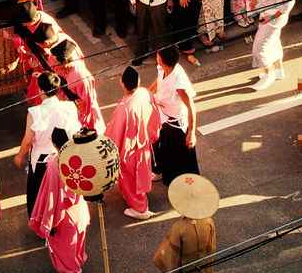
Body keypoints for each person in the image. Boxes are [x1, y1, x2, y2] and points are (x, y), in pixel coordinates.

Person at [152, 174, 217, 273]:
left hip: (185, 272)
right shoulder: (208, 220)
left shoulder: (179, 227)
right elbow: (212, 246)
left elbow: (170, 255)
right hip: (203, 266)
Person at [29, 127, 90, 273]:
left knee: (63, 246)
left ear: (54, 144)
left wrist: (46, 220)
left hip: (64, 214)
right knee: (77, 241)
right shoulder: (78, 157)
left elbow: (49, 197)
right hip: (80, 209)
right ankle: (76, 264)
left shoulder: (55, 167)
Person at [14, 71, 80, 217]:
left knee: (39, 193)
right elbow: (76, 131)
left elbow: (27, 141)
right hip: (65, 157)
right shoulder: (70, 107)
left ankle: (41, 221)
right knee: (61, 191)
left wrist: (19, 156)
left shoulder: (34, 112)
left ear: (41, 90)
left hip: (41, 159)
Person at [105, 67, 162, 219]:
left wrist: (109, 149)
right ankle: (137, 200)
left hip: (129, 148)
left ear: (122, 83)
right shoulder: (145, 92)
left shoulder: (125, 108)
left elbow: (115, 133)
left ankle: (140, 208)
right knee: (140, 172)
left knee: (130, 178)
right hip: (144, 143)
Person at [250, 0, 297, 90]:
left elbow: (287, 4)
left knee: (259, 46)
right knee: (274, 42)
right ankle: (278, 70)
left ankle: (268, 73)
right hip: (265, 10)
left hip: (274, 17)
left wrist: (271, 17)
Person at [150, 45, 199, 185]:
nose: (156, 58)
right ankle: (159, 170)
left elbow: (191, 107)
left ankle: (186, 182)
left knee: (179, 153)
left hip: (176, 121)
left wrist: (192, 133)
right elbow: (158, 80)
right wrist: (148, 91)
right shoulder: (162, 68)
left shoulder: (179, 81)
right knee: (160, 146)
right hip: (163, 114)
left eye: (158, 57)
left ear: (162, 62)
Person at [51, 37, 105, 133]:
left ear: (64, 62)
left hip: (84, 116)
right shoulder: (68, 69)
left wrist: (82, 124)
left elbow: (85, 105)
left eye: (56, 62)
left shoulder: (81, 79)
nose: (54, 65)